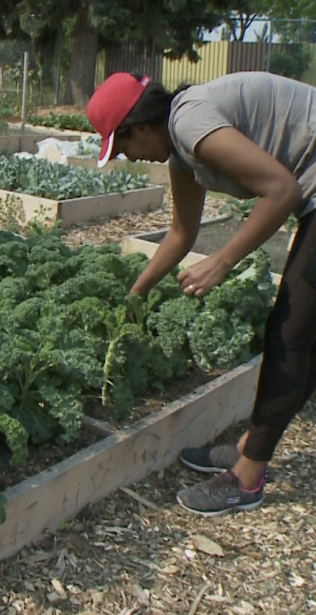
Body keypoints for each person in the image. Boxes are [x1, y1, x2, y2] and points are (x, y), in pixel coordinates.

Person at [88, 71, 316, 516]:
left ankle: (247, 479)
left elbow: (282, 190)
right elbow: (181, 233)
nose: (131, 157)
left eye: (123, 146)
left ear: (140, 127)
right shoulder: (181, 153)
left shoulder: (190, 124)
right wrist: (135, 293)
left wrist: (224, 260)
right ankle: (253, 444)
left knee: (289, 332)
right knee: (305, 333)